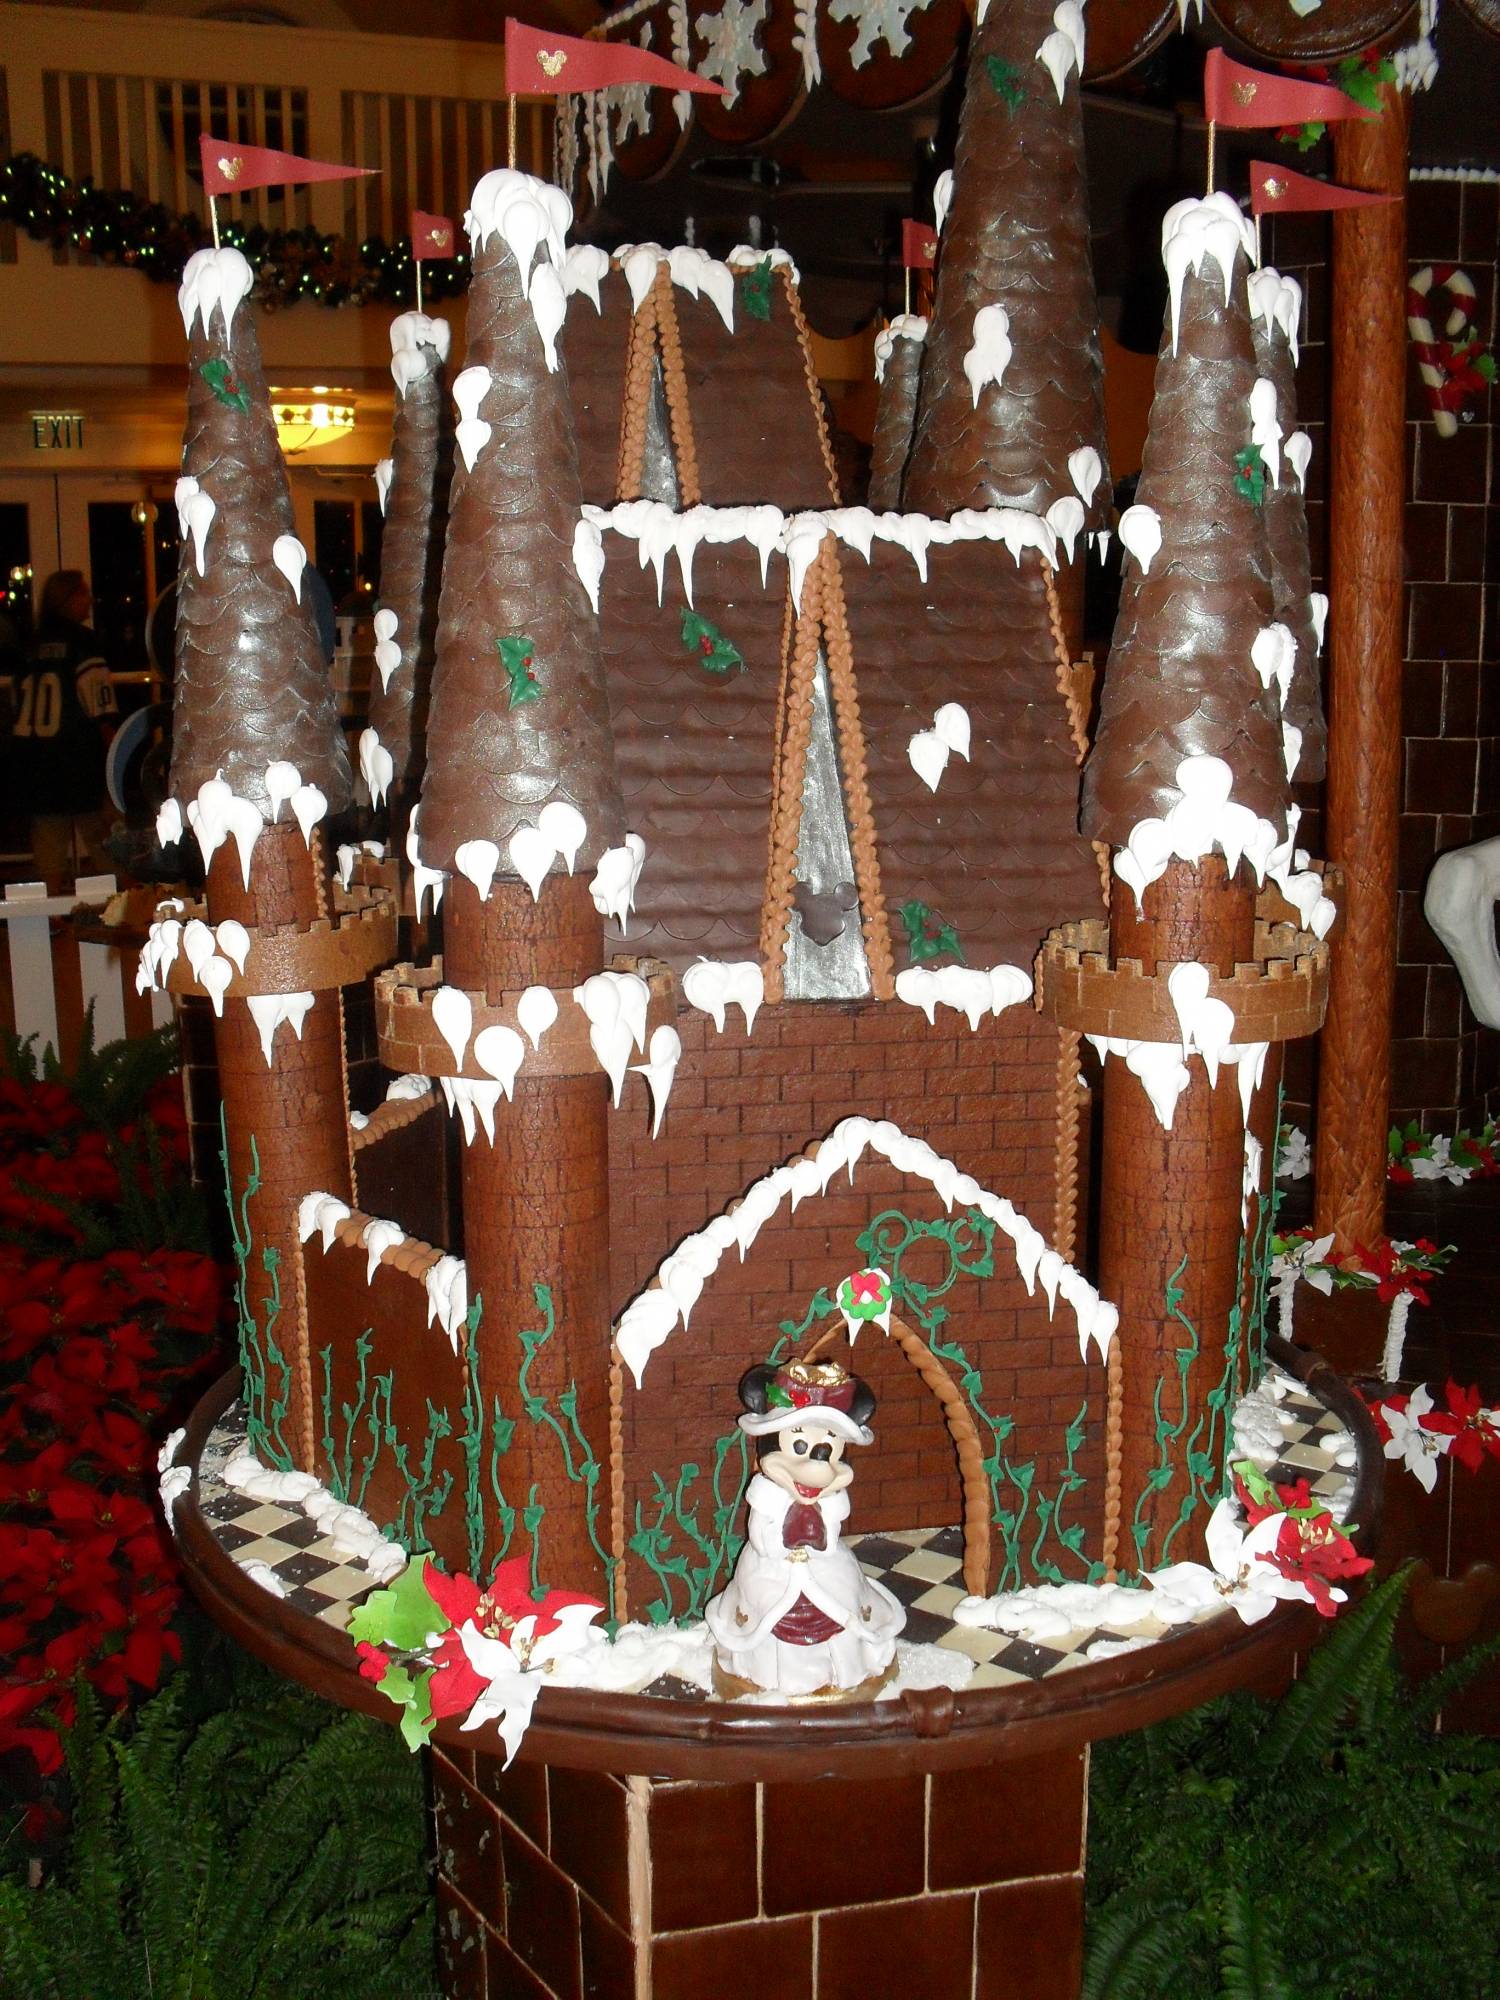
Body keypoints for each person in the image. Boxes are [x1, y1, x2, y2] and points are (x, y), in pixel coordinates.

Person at [6, 571, 118, 888]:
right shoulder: (82, 643)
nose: (89, 600)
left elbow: (16, 702)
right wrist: (113, 757)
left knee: (49, 847)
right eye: (83, 593)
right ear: (68, 599)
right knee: (104, 839)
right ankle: (119, 912)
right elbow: (100, 705)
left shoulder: (29, 645)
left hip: (34, 758)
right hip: (75, 756)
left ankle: (51, 921)